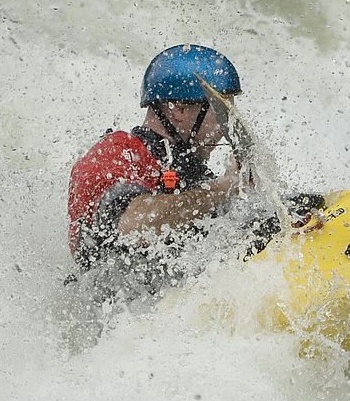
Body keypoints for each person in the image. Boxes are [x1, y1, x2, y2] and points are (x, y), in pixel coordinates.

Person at [67, 44, 251, 288]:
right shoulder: (115, 153)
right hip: (114, 311)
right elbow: (133, 226)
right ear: (179, 110)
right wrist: (223, 188)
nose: (225, 130)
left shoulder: (191, 176)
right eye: (220, 113)